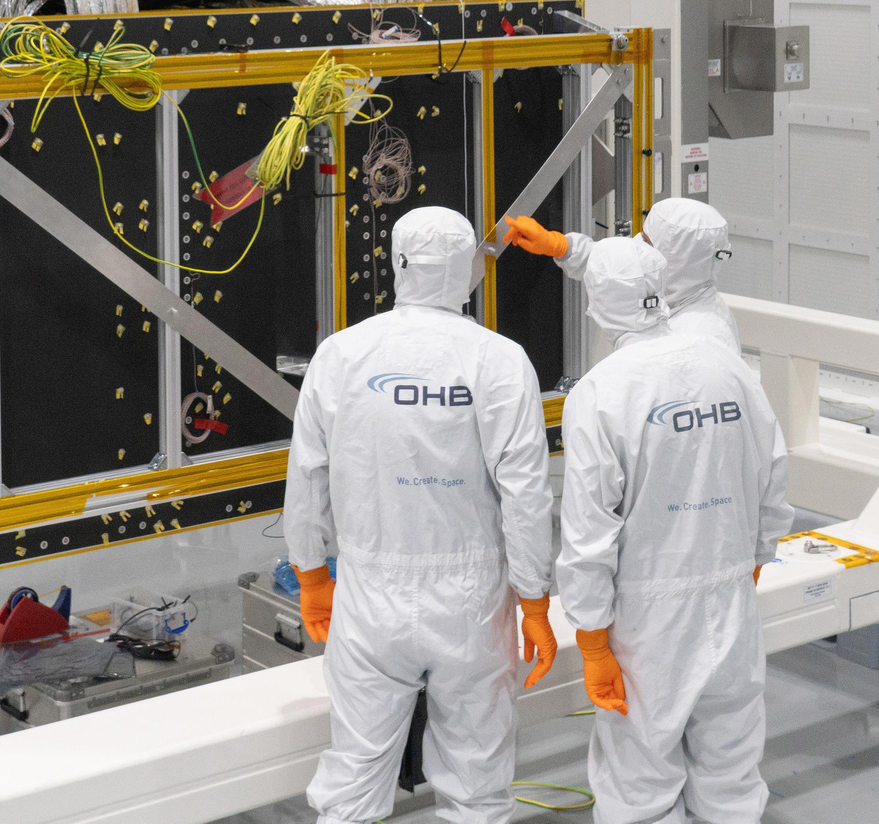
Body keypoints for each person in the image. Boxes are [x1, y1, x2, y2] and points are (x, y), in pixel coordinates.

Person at [283, 206, 559, 824]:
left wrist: (311, 576)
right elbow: (526, 494)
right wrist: (535, 602)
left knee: (354, 777)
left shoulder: (342, 354)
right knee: (478, 782)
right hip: (475, 606)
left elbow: (305, 478)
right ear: (468, 271)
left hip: (369, 595)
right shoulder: (500, 360)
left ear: (396, 262)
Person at [557, 249, 791, 824]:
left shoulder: (602, 390)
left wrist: (591, 639)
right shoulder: (727, 366)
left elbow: (589, 532)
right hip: (731, 595)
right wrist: (756, 555)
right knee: (732, 762)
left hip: (647, 616)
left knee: (640, 773)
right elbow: (773, 470)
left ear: (598, 305)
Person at [503, 195, 742, 350]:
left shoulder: (705, 336)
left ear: (678, 258)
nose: (638, 246)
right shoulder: (676, 290)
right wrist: (559, 246)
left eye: (646, 241)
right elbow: (618, 267)